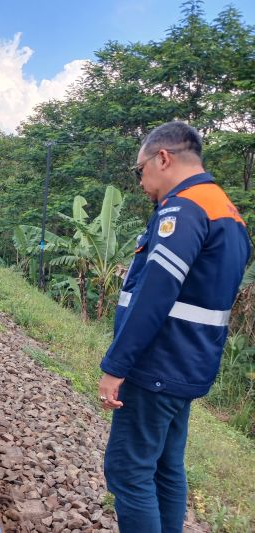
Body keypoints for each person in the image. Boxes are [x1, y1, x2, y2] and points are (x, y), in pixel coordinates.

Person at [99, 121, 251, 532]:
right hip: (188, 363)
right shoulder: (226, 211)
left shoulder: (183, 209)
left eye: (140, 170)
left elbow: (155, 294)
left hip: (156, 364)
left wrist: (116, 365)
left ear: (162, 158)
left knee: (128, 471)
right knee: (166, 466)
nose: (141, 181)